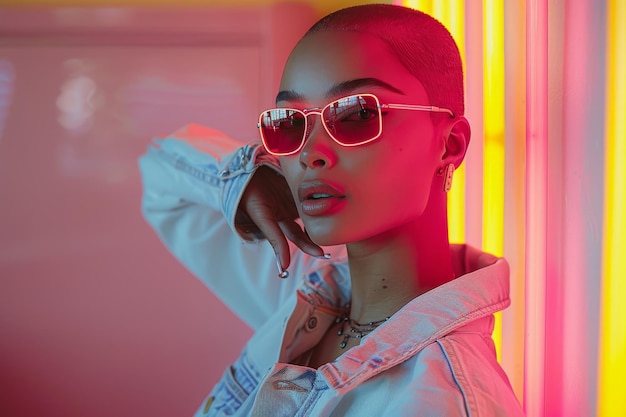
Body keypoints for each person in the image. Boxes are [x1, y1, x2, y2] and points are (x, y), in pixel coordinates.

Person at [139, 4, 525, 416]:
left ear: (450, 145)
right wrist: (248, 177)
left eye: (357, 114)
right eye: (289, 123)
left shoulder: (440, 399)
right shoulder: (307, 286)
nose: (309, 154)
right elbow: (161, 175)